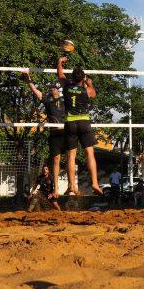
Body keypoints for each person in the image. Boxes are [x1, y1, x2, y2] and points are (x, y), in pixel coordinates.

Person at [56, 56, 104, 196]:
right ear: (82, 78)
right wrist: (89, 83)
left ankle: (72, 186)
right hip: (84, 122)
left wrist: (59, 62)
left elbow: (60, 74)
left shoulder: (66, 86)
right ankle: (94, 183)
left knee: (71, 156)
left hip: (70, 122)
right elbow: (93, 94)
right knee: (90, 154)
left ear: (72, 78)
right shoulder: (87, 90)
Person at [23, 70, 66, 199]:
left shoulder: (66, 100)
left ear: (58, 90)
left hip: (66, 132)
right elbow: (35, 91)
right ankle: (56, 189)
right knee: (56, 160)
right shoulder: (48, 101)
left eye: (54, 87)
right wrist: (28, 79)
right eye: (51, 88)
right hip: (54, 134)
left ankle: (72, 188)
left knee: (71, 158)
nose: (52, 89)